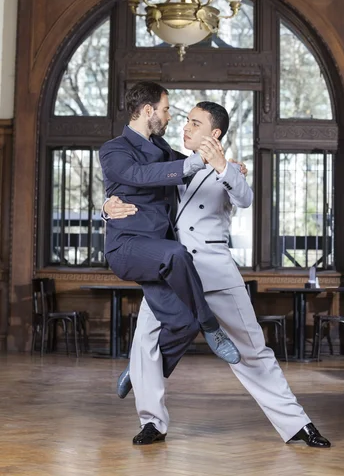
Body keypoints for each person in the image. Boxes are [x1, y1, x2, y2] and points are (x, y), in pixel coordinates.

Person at [106, 101, 331, 448]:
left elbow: (244, 198)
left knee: (252, 351)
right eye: (185, 122)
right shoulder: (168, 164)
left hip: (216, 271)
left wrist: (224, 166)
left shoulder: (230, 171)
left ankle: (298, 424)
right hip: (173, 272)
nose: (185, 128)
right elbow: (133, 192)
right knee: (144, 345)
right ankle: (152, 422)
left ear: (214, 134)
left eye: (195, 124)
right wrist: (106, 208)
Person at [99, 81, 240, 379]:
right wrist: (104, 208)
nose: (170, 117)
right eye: (165, 110)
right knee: (177, 253)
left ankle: (139, 373)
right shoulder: (114, 149)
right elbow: (138, 175)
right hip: (128, 247)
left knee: (182, 325)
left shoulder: (161, 148)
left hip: (158, 254)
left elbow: (191, 167)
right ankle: (211, 327)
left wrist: (224, 165)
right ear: (148, 111)